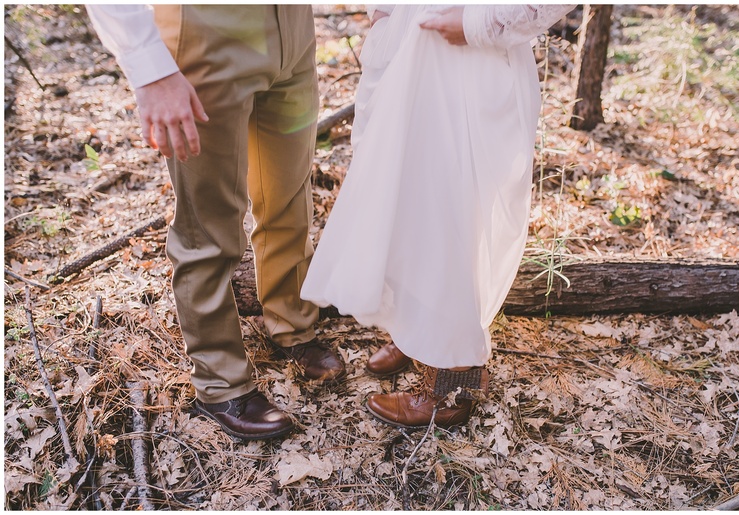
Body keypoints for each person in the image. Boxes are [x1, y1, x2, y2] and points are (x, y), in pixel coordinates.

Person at [301, 4, 575, 428]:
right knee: (406, 204)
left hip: (469, 61)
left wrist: (475, 24)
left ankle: (450, 381)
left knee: (451, 212)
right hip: (408, 53)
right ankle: (415, 335)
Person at [86, 5, 346, 441]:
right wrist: (150, 69)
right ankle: (220, 381)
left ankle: (292, 324)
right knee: (208, 224)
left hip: (294, 31)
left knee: (288, 195)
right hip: (206, 31)